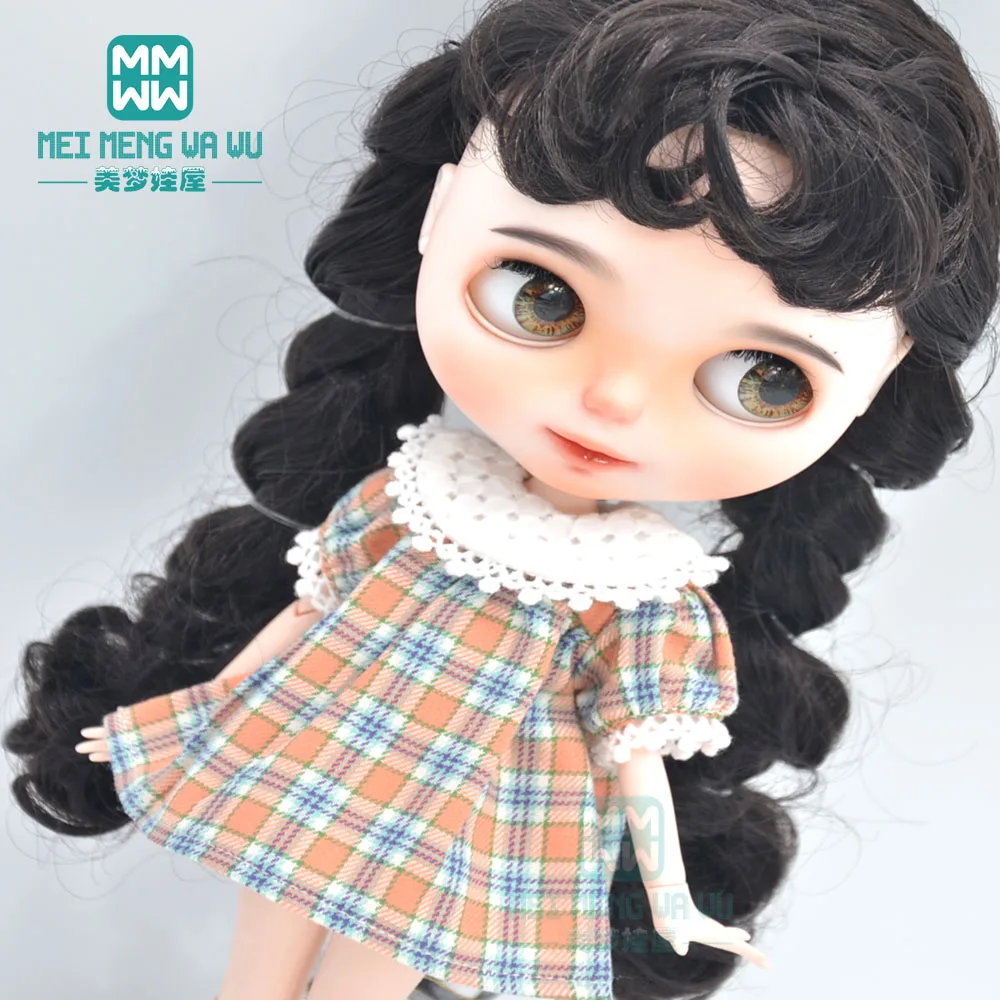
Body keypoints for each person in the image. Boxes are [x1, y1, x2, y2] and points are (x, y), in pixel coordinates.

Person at [6, 1, 999, 998]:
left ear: (878, 387)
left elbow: (636, 756)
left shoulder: (646, 595)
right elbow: (309, 618)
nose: (612, 401)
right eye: (541, 295)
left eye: (762, 379)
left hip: (463, 834)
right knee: (255, 973)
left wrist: (668, 892)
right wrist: (198, 709)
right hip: (320, 767)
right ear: (439, 214)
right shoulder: (420, 497)